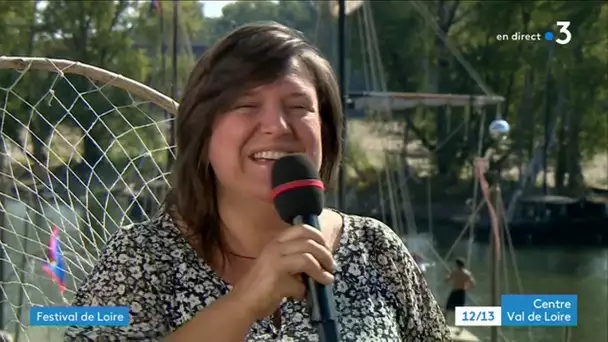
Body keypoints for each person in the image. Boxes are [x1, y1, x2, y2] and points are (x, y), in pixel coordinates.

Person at [64, 22, 450, 341]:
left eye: (298, 108)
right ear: (203, 132)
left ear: (327, 133)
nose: (277, 127)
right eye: (246, 105)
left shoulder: (377, 248)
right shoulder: (141, 257)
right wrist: (243, 304)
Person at [444, 257, 475, 325]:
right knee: (460, 310)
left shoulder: (455, 272)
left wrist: (448, 274)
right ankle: (461, 327)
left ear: (457, 265)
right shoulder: (467, 274)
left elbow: (447, 280)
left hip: (455, 291)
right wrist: (467, 288)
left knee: (447, 308)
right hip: (462, 292)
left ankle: (444, 322)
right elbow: (472, 284)